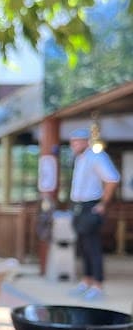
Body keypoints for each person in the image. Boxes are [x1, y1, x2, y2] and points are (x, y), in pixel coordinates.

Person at [69, 128, 120, 300]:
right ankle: (86, 281)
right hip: (78, 206)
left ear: (85, 142)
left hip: (91, 205)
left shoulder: (97, 157)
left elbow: (112, 179)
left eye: (77, 141)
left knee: (93, 247)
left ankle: (98, 285)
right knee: (83, 247)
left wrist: (103, 204)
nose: (74, 144)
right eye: (72, 141)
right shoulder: (80, 159)